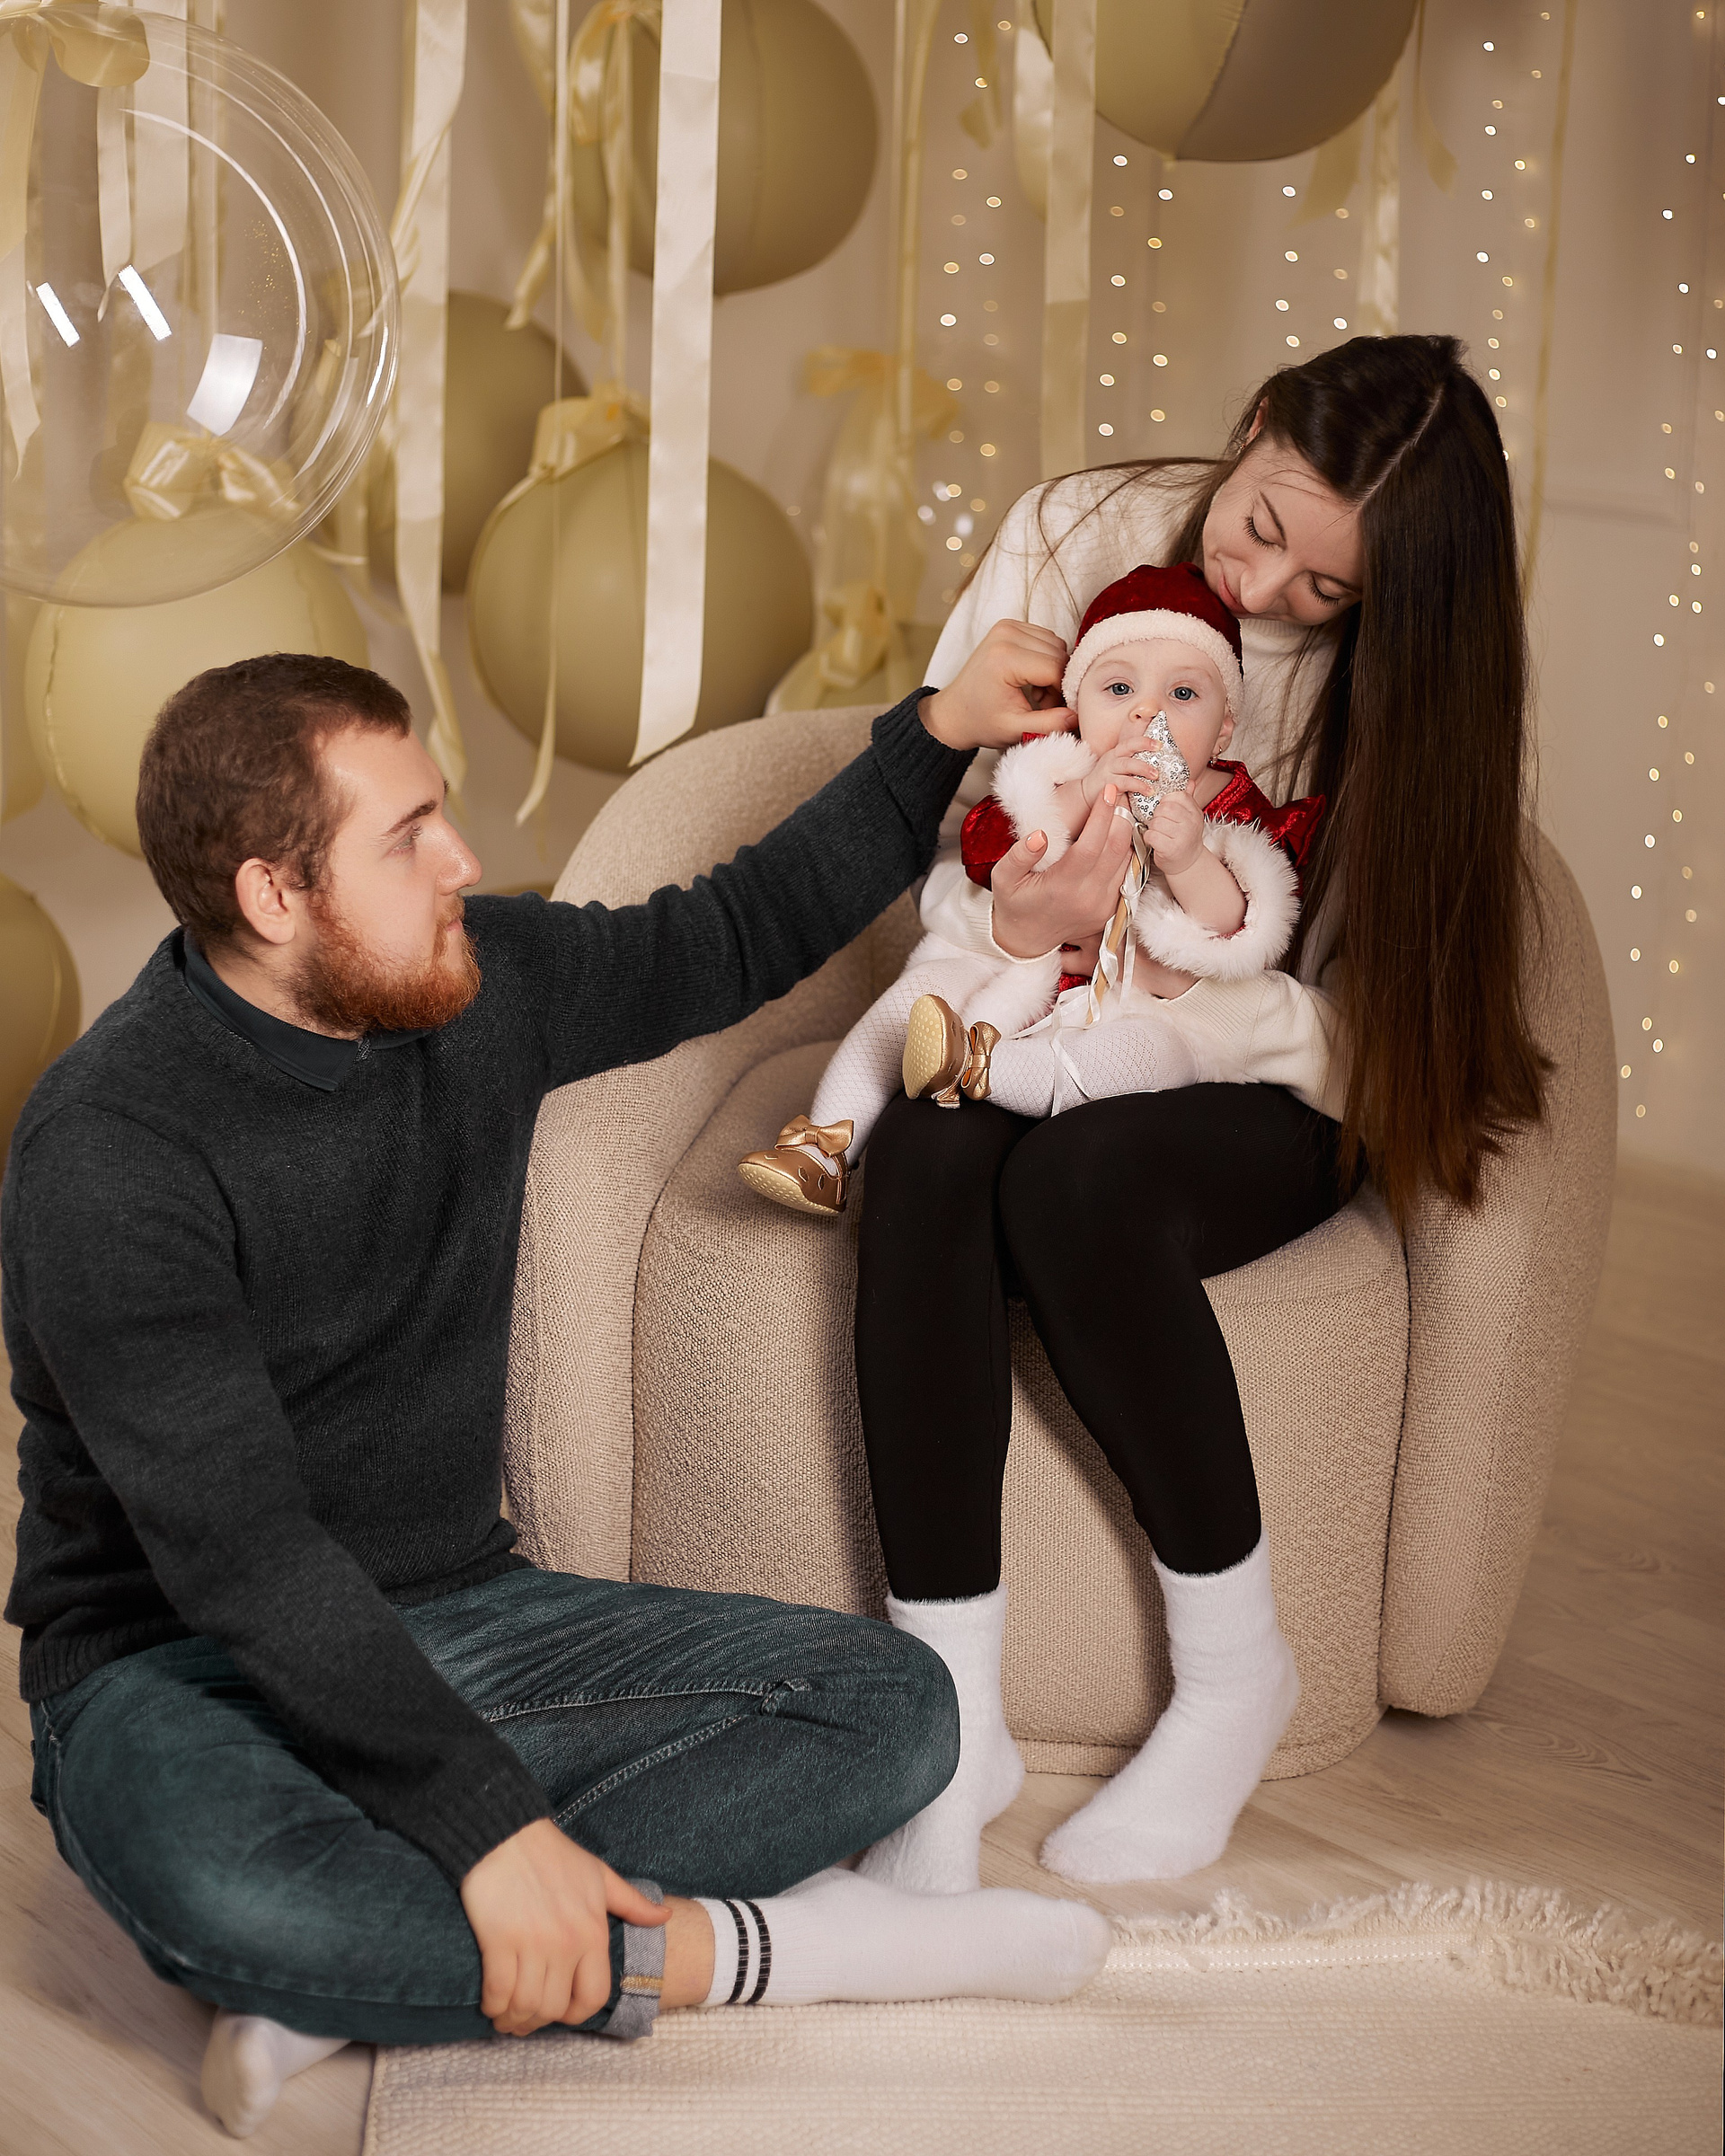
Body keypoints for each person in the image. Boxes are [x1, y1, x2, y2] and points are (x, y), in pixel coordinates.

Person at [3, 651, 1114, 2140]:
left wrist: (935, 736)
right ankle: (786, 1952)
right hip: (175, 1665)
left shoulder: (482, 983)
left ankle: (367, 1964)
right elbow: (248, 1564)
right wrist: (485, 1829)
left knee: (898, 1711)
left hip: (468, 1617)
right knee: (240, 1895)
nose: (462, 862)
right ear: (275, 897)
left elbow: (730, 931)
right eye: (409, 838)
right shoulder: (111, 1154)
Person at [849, 334, 1549, 1898]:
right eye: (1262, 526)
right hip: (1044, 997)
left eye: (1327, 588)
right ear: (1252, 427)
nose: (1266, 589)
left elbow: (1367, 1022)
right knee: (932, 1138)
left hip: (1267, 1061)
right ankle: (948, 1722)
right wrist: (1019, 923)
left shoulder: (1413, 672)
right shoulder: (1075, 535)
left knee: (1077, 1188)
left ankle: (1239, 1679)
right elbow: (949, 826)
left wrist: (1193, 996)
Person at [736, 561, 1331, 1218]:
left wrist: (1189, 860)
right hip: (1016, 966)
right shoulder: (1058, 771)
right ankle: (824, 1147)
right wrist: (1082, 791)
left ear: (1224, 726)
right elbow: (985, 848)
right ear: (1079, 708)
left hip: (1137, 1003)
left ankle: (976, 1068)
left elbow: (1242, 931)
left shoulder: (1233, 811)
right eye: (1119, 688)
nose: (1147, 711)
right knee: (913, 999)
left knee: (1154, 1057)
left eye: (1184, 694)